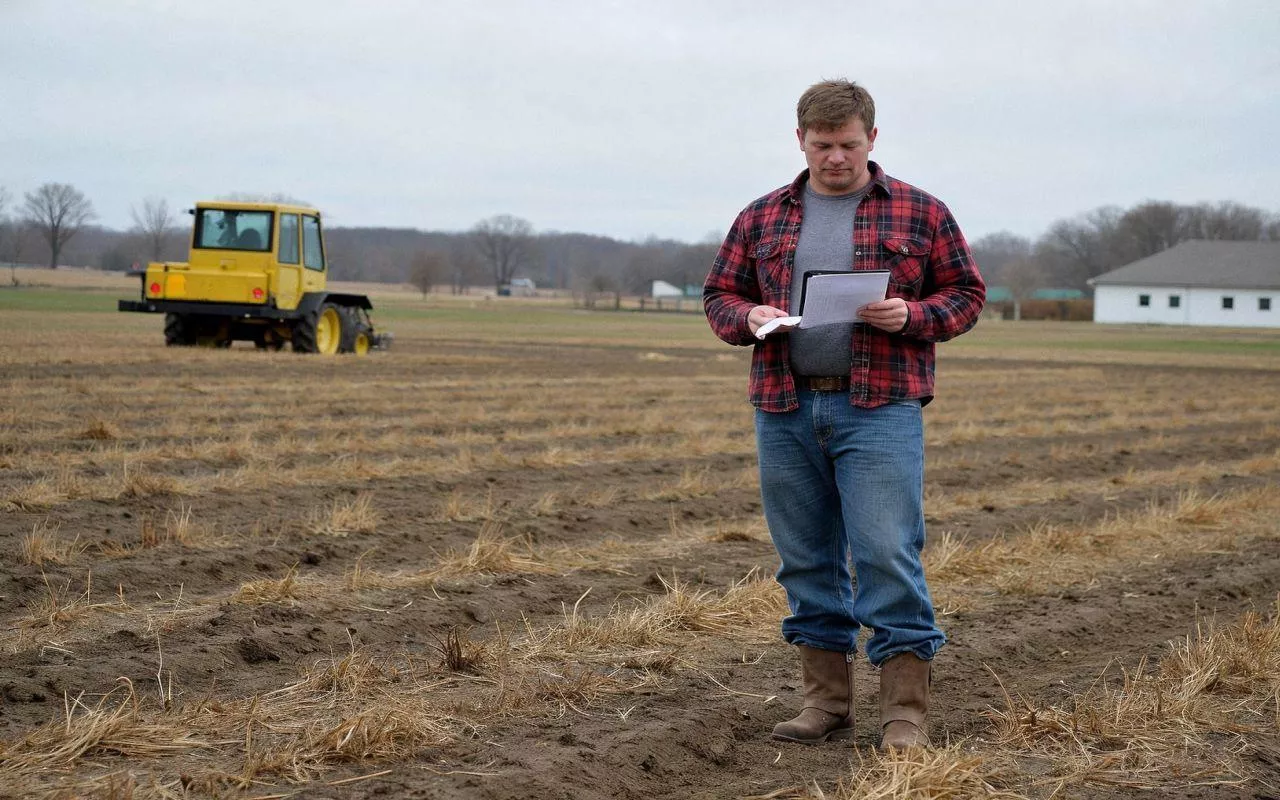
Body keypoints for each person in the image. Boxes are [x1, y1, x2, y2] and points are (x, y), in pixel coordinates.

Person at [703, 79, 985, 750]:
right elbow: (719, 297)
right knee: (804, 560)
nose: (835, 157)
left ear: (873, 139)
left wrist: (913, 315)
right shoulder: (761, 217)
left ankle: (904, 712)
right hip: (785, 406)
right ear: (799, 140)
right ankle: (826, 702)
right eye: (822, 144)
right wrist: (750, 316)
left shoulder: (920, 212)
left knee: (886, 553)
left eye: (848, 144)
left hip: (879, 408)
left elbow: (968, 295)